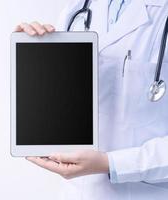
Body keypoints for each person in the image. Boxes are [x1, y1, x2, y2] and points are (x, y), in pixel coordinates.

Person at [14, 0, 168, 199]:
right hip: (77, 191)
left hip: (144, 193)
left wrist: (110, 163)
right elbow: (59, 107)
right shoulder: (75, 10)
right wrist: (32, 59)